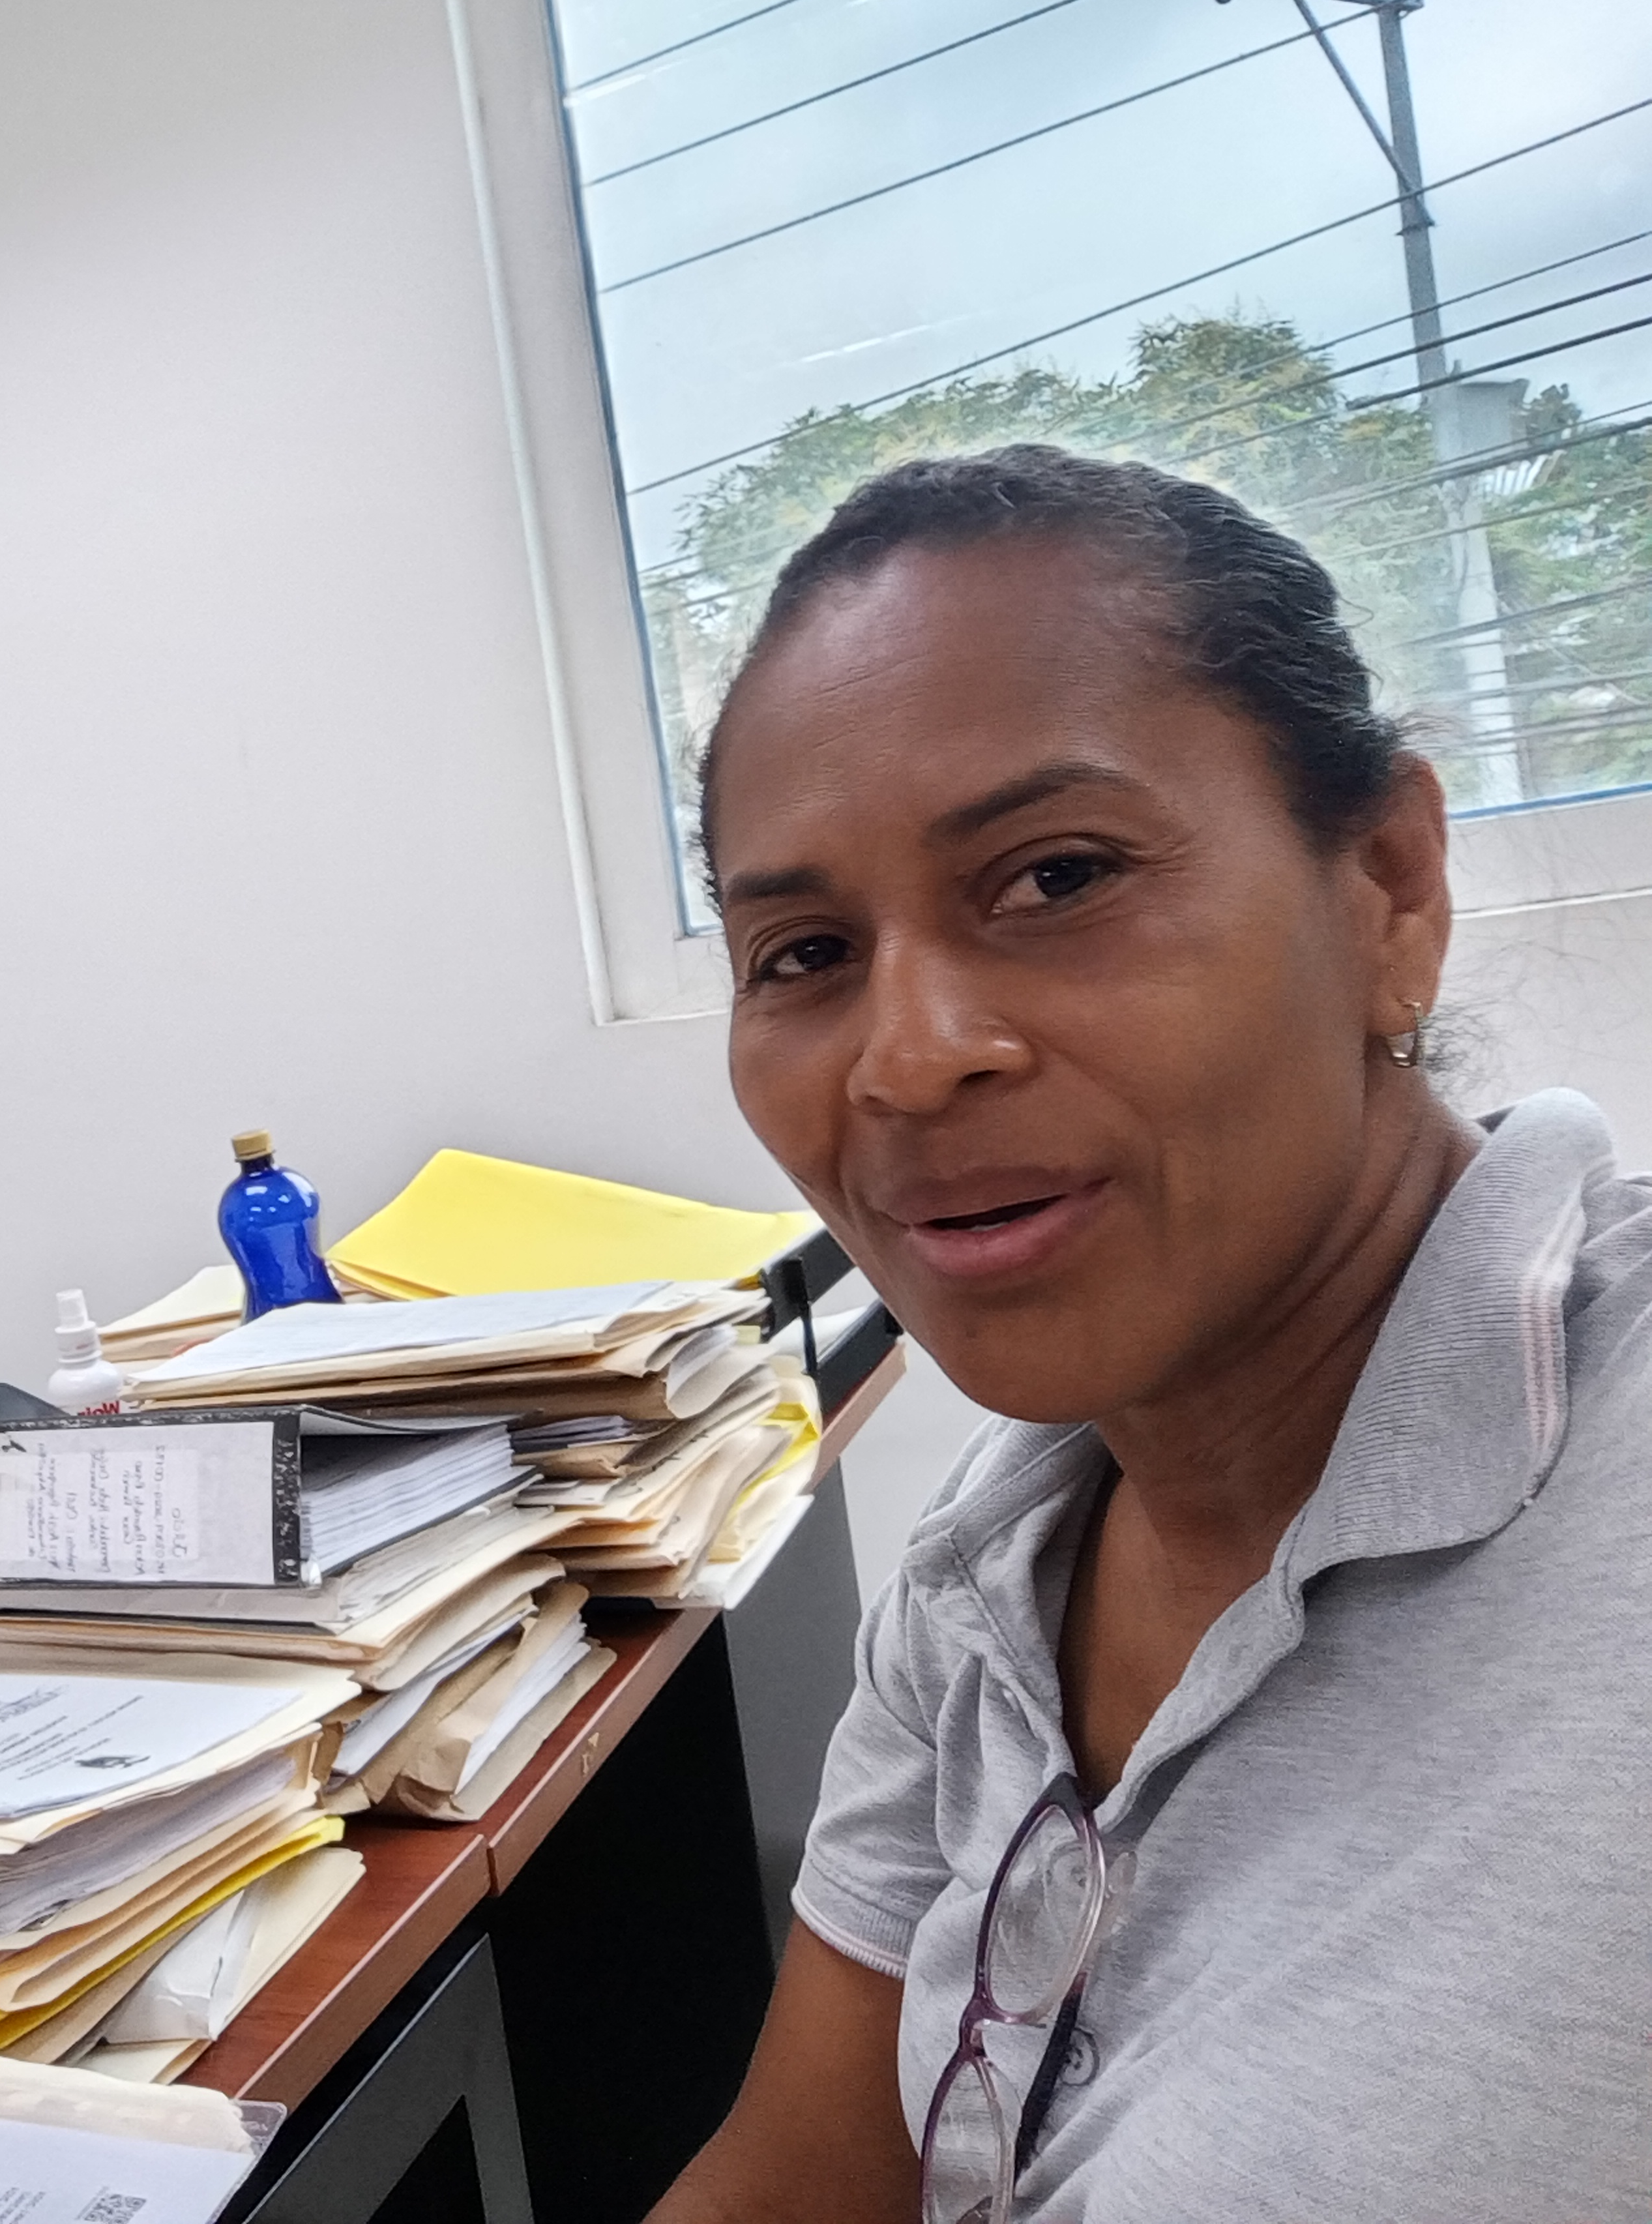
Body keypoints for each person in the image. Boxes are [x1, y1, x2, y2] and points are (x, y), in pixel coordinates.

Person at [653, 447, 1649, 2221]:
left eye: (1056, 877)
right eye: (801, 953)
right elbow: (800, 2182)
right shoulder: (989, 1573)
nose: (907, 1059)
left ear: (1390, 889)